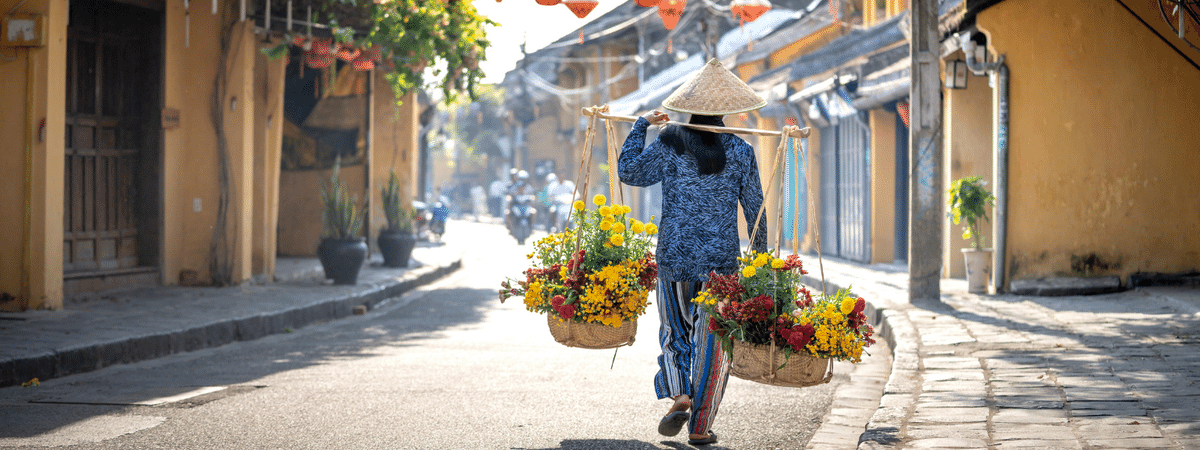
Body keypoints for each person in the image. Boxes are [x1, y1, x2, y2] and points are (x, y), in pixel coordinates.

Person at [617, 59, 768, 447]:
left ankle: (680, 393)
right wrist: (762, 262)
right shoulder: (741, 150)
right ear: (725, 111)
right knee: (714, 341)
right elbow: (756, 209)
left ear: (688, 106)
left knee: (674, 332)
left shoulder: (670, 141)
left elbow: (630, 173)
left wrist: (640, 127)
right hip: (721, 263)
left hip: (674, 256)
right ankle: (700, 426)